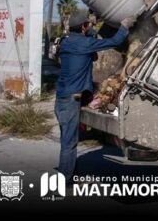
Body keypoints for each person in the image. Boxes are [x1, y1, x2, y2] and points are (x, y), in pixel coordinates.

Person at [54, 13, 135, 180]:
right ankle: (64, 180)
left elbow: (85, 43)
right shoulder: (85, 44)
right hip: (72, 100)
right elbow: (114, 41)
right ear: (83, 27)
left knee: (67, 139)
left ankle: (70, 172)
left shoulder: (65, 42)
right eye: (87, 25)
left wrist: (89, 27)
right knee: (69, 144)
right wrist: (124, 26)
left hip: (61, 98)